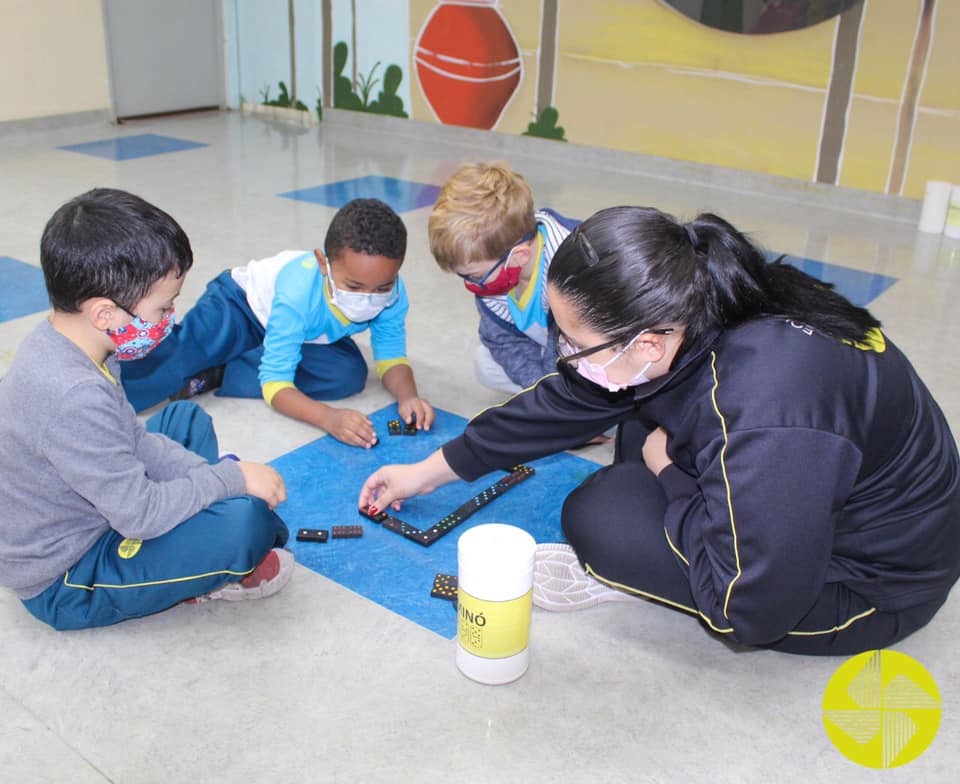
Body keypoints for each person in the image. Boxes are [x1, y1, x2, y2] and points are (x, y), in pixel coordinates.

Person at [360, 205, 960, 656]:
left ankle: (656, 555)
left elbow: (748, 611)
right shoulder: (697, 294)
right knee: (632, 407)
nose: (563, 353)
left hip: (862, 584)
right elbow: (564, 402)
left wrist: (667, 470)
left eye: (574, 342)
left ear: (648, 340)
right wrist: (426, 471)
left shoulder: (770, 409)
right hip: (801, 493)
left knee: (600, 515)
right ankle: (676, 524)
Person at [0, 188, 292, 631]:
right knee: (245, 527)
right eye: (162, 307)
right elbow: (138, 514)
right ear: (104, 313)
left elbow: (133, 440)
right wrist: (229, 481)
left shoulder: (81, 344)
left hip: (102, 507)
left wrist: (213, 486)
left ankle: (196, 538)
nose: (171, 319)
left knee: (183, 421)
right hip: (70, 575)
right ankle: (201, 569)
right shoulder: (72, 394)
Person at [121, 198, 434, 448]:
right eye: (353, 287)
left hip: (306, 335)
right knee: (176, 359)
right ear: (323, 264)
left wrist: (409, 397)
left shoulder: (395, 294)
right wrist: (328, 419)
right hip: (239, 306)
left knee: (348, 375)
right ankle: (108, 389)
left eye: (381, 287)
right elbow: (276, 384)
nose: (368, 299)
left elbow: (392, 358)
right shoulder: (298, 292)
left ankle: (222, 371)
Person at [428, 162, 579, 393]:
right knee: (485, 364)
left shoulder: (571, 263)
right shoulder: (495, 260)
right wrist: (540, 388)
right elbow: (502, 340)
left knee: (574, 358)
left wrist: (550, 402)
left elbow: (576, 343)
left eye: (474, 276)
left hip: (602, 347)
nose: (470, 284)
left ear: (518, 256)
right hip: (551, 344)